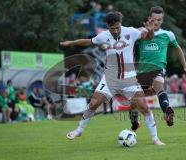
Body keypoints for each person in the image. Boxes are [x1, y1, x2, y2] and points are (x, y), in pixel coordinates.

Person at [59, 11, 165, 145]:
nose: (115, 30)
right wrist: (70, 43)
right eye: (112, 28)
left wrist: (150, 31)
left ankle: (155, 138)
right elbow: (88, 41)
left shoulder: (131, 32)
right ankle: (79, 130)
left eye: (117, 27)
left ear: (120, 24)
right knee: (93, 104)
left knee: (144, 107)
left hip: (129, 79)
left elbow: (148, 38)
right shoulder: (103, 36)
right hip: (110, 79)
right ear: (108, 26)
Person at [129, 6, 186, 131]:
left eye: (159, 19)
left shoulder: (168, 34)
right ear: (149, 19)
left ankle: (167, 111)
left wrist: (185, 67)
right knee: (133, 103)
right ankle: (134, 122)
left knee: (159, 85)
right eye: (154, 19)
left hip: (158, 68)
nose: (156, 22)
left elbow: (178, 49)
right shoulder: (142, 33)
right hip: (141, 72)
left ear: (162, 20)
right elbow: (128, 36)